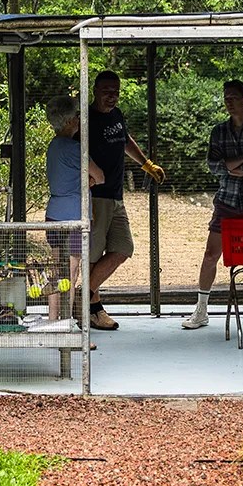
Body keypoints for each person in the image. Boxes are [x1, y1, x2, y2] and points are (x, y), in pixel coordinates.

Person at [85, 70, 160, 331]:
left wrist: (146, 164)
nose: (112, 96)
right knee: (93, 255)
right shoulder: (87, 119)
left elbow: (125, 140)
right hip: (96, 197)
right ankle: (93, 309)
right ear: (95, 90)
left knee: (123, 247)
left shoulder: (116, 115)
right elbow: (76, 153)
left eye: (115, 92)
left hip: (116, 196)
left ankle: (83, 298)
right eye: (107, 91)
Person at [185, 79, 243, 330]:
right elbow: (214, 166)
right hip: (226, 201)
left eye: (234, 97)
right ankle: (201, 309)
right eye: (226, 98)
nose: (229, 102)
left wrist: (234, 165)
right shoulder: (219, 131)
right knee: (210, 254)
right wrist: (241, 161)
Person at [39, 95, 97, 323]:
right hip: (75, 215)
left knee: (57, 270)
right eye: (77, 115)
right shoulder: (75, 149)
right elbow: (100, 175)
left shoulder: (53, 146)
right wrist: (89, 181)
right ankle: (66, 323)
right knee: (71, 273)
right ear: (70, 120)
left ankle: (53, 320)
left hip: (54, 214)